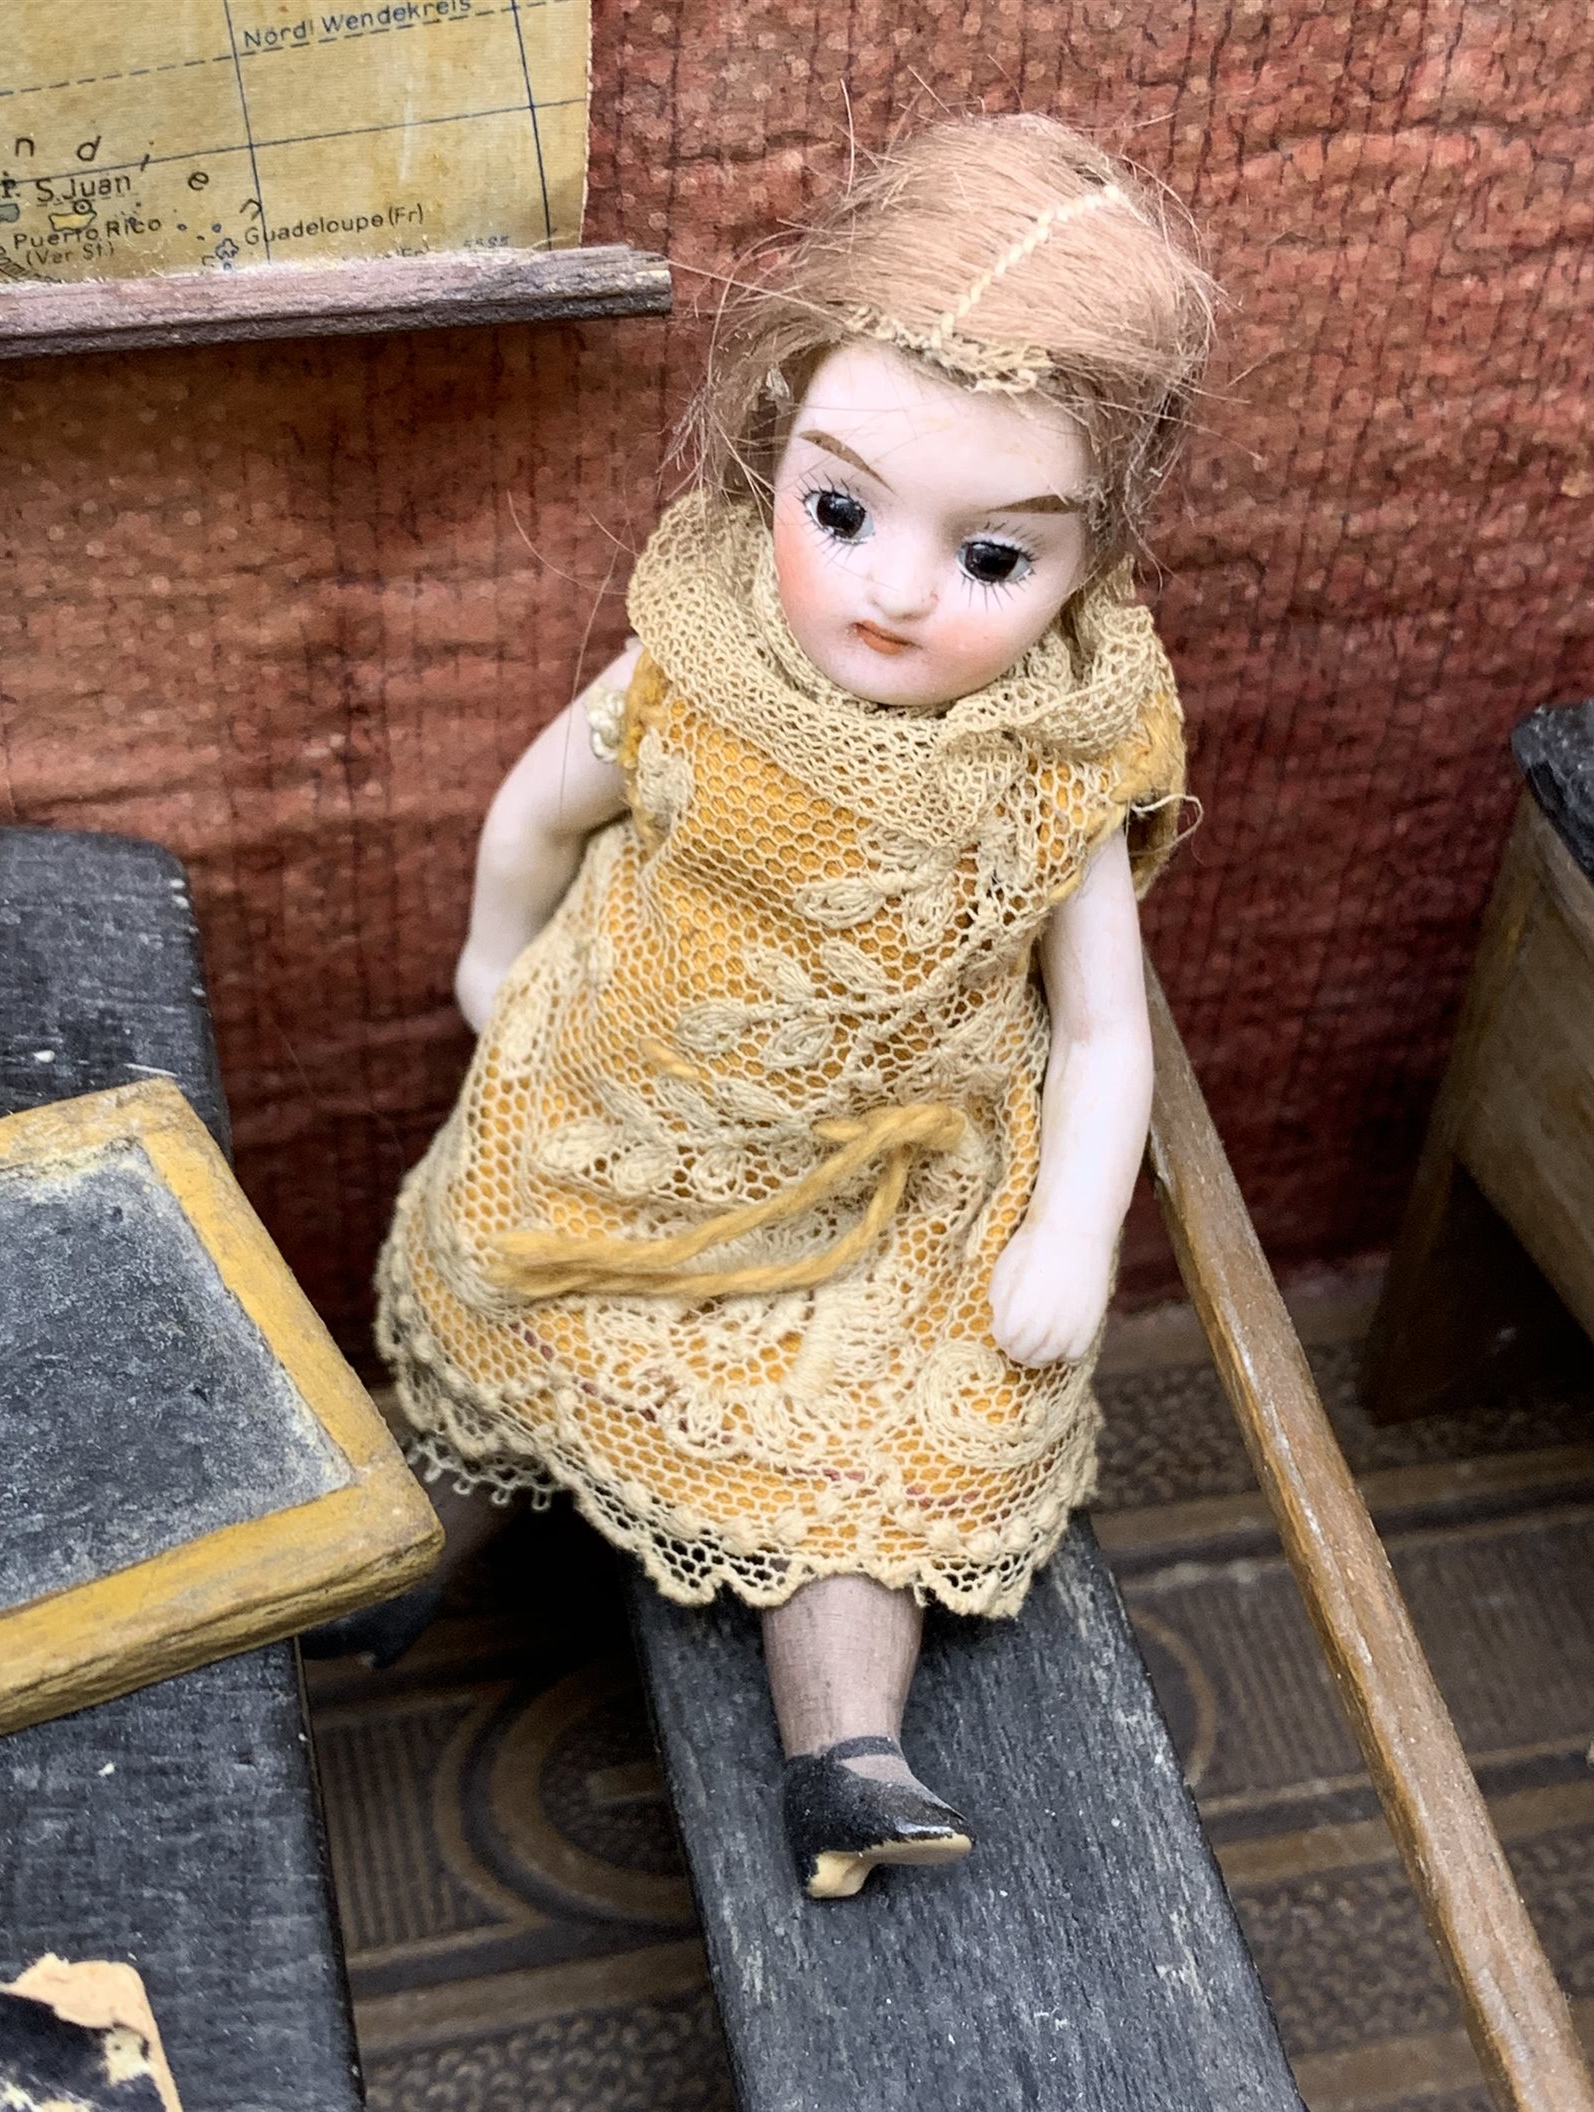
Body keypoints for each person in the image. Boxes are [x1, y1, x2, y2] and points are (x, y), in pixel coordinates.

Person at [373, 113, 1216, 1898]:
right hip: (623, 1109)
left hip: (879, 1192)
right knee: (507, 1335)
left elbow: (1097, 1031)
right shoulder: (701, 667)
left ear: (1089, 560)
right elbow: (541, 801)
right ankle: (381, 1574)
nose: (899, 594)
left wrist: (1070, 1234)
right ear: (776, 458)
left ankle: (846, 1756)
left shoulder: (1049, 765)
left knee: (860, 1454)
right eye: (841, 512)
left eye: (998, 558)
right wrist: (489, 952)